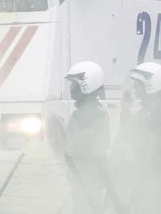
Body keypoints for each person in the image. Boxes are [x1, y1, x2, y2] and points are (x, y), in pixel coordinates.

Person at [117, 62, 161, 214]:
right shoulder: (148, 111)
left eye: (139, 84)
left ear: (151, 85)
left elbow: (152, 153)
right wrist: (125, 110)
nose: (135, 88)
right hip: (146, 182)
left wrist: (137, 189)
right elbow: (130, 133)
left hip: (154, 184)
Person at [64, 61, 110, 214]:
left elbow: (85, 147)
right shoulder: (91, 111)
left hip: (88, 177)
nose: (71, 89)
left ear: (86, 85)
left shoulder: (89, 114)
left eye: (74, 85)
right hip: (85, 176)